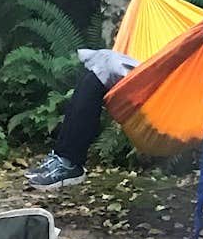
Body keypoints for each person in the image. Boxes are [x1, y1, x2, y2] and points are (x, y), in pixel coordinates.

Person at [24, 46, 138, 190]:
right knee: (95, 74)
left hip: (162, 76)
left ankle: (69, 162)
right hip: (156, 68)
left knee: (104, 66)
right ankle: (63, 158)